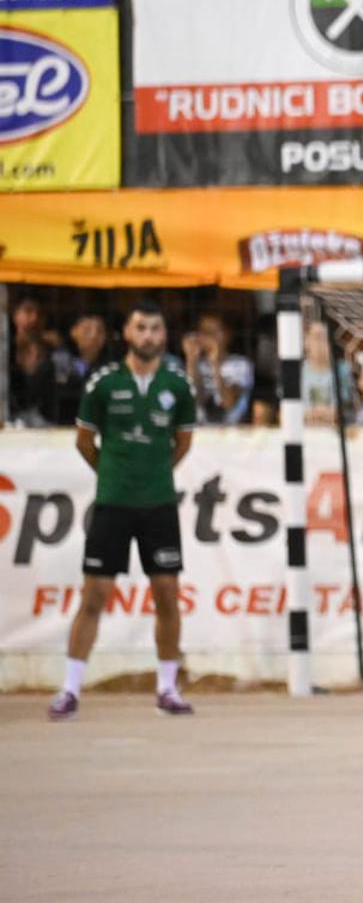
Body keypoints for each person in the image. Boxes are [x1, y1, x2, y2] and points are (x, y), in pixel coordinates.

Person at [49, 302, 198, 720]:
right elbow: (84, 441)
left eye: (155, 328)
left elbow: (183, 443)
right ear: (127, 334)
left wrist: (153, 473)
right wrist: (113, 473)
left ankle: (167, 689)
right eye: (141, 328)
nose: (148, 335)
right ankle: (69, 690)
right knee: (94, 596)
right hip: (113, 503)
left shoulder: (178, 385)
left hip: (159, 505)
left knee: (167, 595)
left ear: (164, 336)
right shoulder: (104, 383)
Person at [184, 311, 254, 425]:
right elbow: (192, 399)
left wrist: (215, 364)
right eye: (204, 332)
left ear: (228, 334)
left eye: (214, 332)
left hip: (232, 429)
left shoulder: (241, 364)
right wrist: (191, 360)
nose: (209, 337)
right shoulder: (197, 365)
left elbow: (229, 402)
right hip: (200, 428)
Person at [52, 313, 115, 425]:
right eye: (87, 330)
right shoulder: (58, 361)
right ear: (74, 332)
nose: (94, 336)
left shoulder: (113, 367)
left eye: (100, 331)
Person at [9, 294, 60, 427]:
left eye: (40, 314)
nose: (34, 318)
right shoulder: (6, 350)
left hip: (46, 425)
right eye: (28, 311)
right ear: (15, 315)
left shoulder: (53, 352)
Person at [301, 319, 353, 427]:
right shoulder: (297, 372)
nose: (320, 343)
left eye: (325, 338)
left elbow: (345, 404)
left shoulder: (343, 370)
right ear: (306, 341)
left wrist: (330, 413)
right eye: (317, 337)